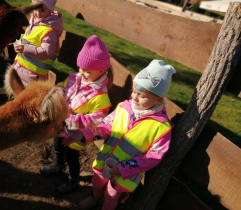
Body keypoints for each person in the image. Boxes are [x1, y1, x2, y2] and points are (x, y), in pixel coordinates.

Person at [62, 59, 176, 210]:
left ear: (158, 99)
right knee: (97, 181)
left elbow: (154, 156)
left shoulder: (161, 127)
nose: (134, 97)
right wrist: (84, 134)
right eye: (134, 92)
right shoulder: (124, 107)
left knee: (112, 194)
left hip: (127, 171)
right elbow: (106, 126)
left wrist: (124, 168)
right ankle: (94, 198)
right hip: (106, 160)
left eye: (141, 95)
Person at [40, 35, 114, 193]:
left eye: (87, 71)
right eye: (80, 68)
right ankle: (58, 166)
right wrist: (58, 94)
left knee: (72, 156)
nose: (82, 72)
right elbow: (62, 85)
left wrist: (69, 119)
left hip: (76, 133)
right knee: (57, 147)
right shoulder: (75, 77)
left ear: (102, 70)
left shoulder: (100, 96)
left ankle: (73, 179)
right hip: (60, 125)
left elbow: (97, 120)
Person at [12, 0, 63, 86]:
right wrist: (18, 44)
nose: (38, 13)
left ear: (50, 11)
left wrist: (25, 49)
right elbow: (28, 39)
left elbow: (47, 52)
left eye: (42, 10)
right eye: (35, 9)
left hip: (34, 77)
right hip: (21, 68)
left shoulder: (50, 32)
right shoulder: (34, 23)